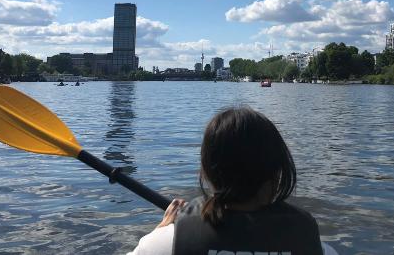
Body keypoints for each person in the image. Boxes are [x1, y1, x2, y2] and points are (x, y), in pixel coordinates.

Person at [126, 107, 332, 255]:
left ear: (207, 170)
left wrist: (159, 231)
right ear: (278, 170)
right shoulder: (313, 243)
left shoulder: (164, 244)